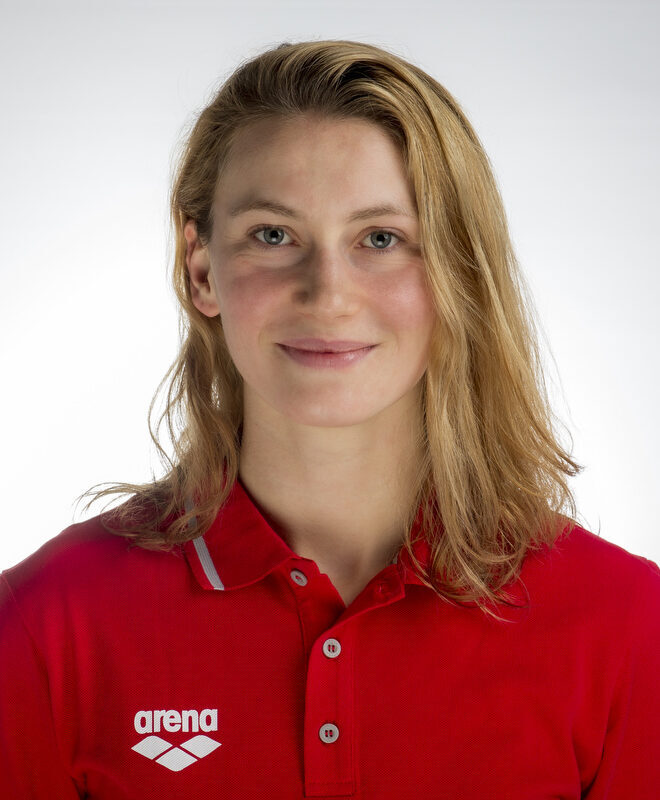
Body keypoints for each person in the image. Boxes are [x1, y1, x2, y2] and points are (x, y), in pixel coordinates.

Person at [1, 39, 658, 800]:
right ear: (201, 267)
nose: (329, 294)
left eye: (381, 239)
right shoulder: (45, 624)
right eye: (273, 235)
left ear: (459, 271)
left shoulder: (626, 626)